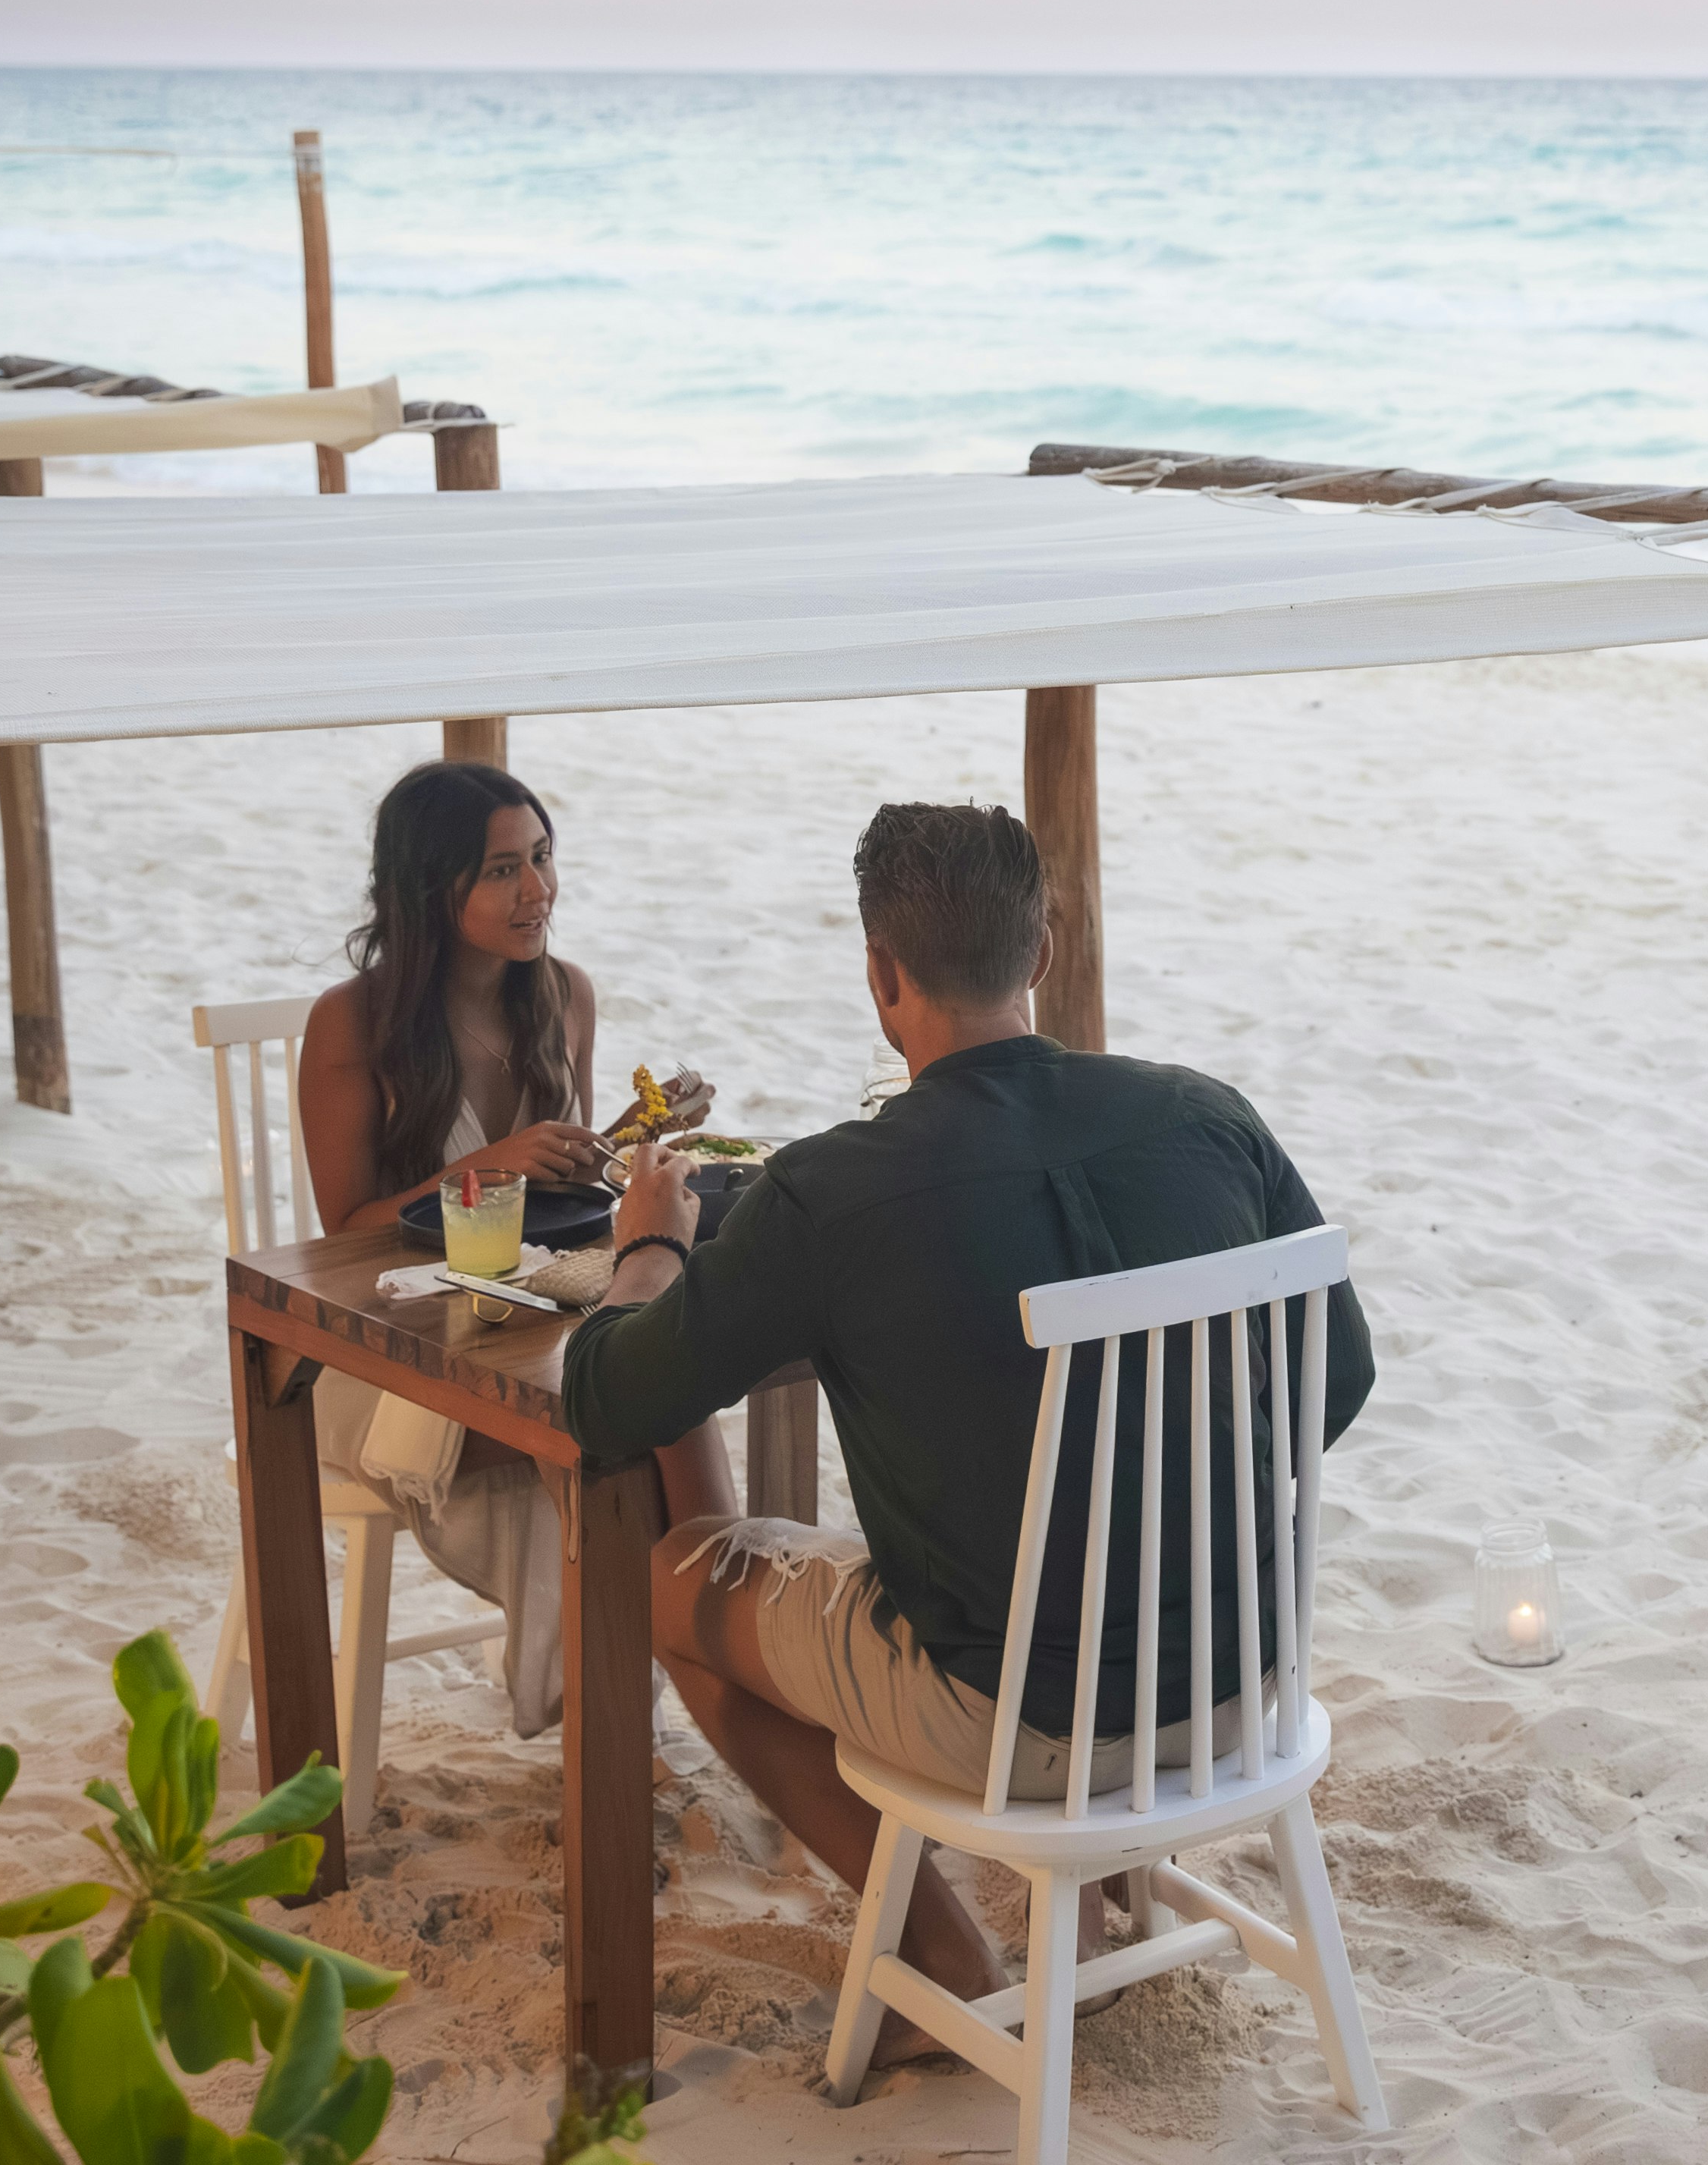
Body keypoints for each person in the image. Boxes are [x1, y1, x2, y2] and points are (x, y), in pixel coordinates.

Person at [570, 800, 1374, 2003]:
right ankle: (1095, 1878)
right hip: (1243, 1688)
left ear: (882, 976)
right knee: (1020, 1556)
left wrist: (650, 1246)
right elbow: (1337, 1378)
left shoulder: (831, 1191)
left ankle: (941, 1947)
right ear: (1041, 950)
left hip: (1020, 1725)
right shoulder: (1209, 1117)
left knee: (661, 1581)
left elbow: (607, 1398)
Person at [297, 759, 730, 1736]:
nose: (537, 890)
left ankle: (676, 1666)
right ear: (429, 886)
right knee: (608, 1422)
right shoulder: (351, 1023)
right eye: (502, 870)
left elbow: (563, 1192)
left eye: (542, 857)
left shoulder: (564, 996)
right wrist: (486, 1166)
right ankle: (624, 1696)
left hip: (532, 1318)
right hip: (393, 1349)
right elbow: (345, 1233)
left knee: (659, 1392)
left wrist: (630, 1137)